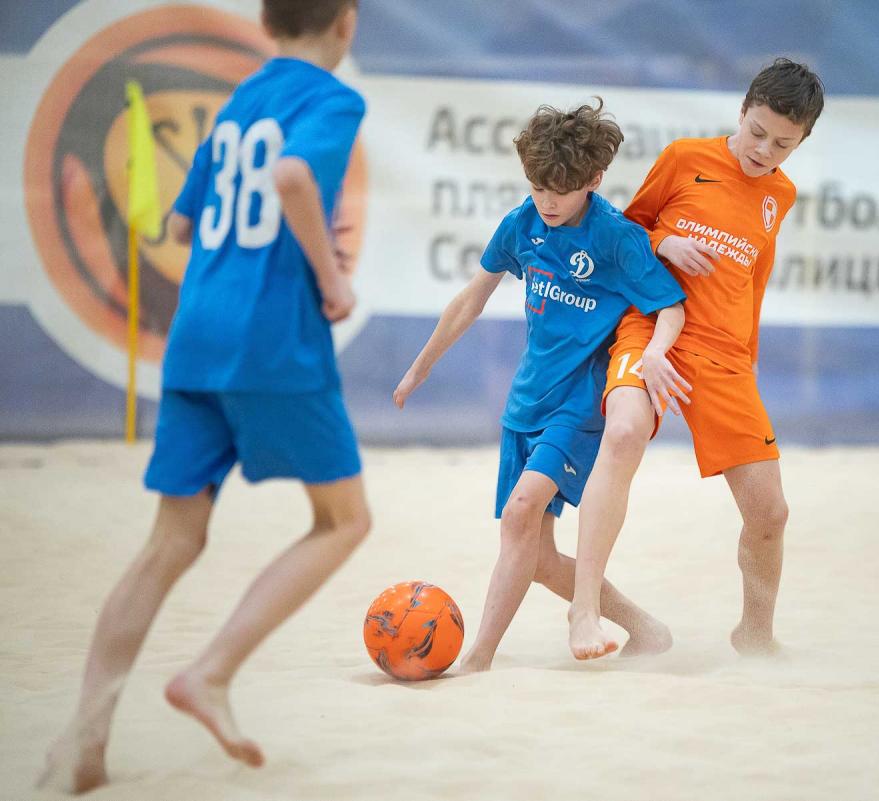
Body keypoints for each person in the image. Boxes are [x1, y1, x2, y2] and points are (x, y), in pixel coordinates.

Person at [39, 1, 370, 792]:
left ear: (268, 20)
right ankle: (211, 672)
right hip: (271, 337)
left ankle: (84, 737)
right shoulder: (331, 98)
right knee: (344, 520)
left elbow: (184, 227)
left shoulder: (238, 101)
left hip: (195, 335)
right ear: (346, 21)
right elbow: (291, 176)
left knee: (171, 540)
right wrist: (332, 279)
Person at [392, 100, 687, 672]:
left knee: (521, 509)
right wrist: (421, 367)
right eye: (537, 187)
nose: (547, 202)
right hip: (526, 401)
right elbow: (470, 299)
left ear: (594, 179)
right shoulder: (522, 222)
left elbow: (670, 305)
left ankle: (478, 657)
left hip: (578, 405)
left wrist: (654, 354)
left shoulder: (615, 238)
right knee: (535, 553)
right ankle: (645, 628)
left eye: (561, 190)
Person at [567, 58, 825, 659]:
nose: (764, 150)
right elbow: (623, 234)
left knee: (770, 512)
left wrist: (748, 359)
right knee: (623, 433)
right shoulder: (685, 158)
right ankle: (585, 609)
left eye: (782, 144)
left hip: (725, 355)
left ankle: (755, 635)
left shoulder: (781, 194)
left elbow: (756, 278)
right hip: (653, 327)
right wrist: (665, 241)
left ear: (802, 140)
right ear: (742, 110)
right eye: (757, 132)